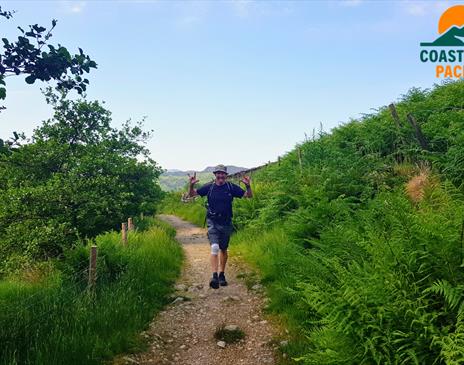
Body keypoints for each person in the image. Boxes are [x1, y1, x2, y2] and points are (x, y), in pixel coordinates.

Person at [187, 164, 252, 289]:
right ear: (215, 175)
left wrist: (248, 186)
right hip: (212, 221)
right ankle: (214, 276)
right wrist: (191, 185)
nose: (221, 176)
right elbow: (191, 195)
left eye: (223, 173)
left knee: (223, 249)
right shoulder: (209, 187)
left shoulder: (231, 187)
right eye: (218, 173)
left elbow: (248, 196)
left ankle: (222, 274)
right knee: (215, 247)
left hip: (226, 222)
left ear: (226, 175)